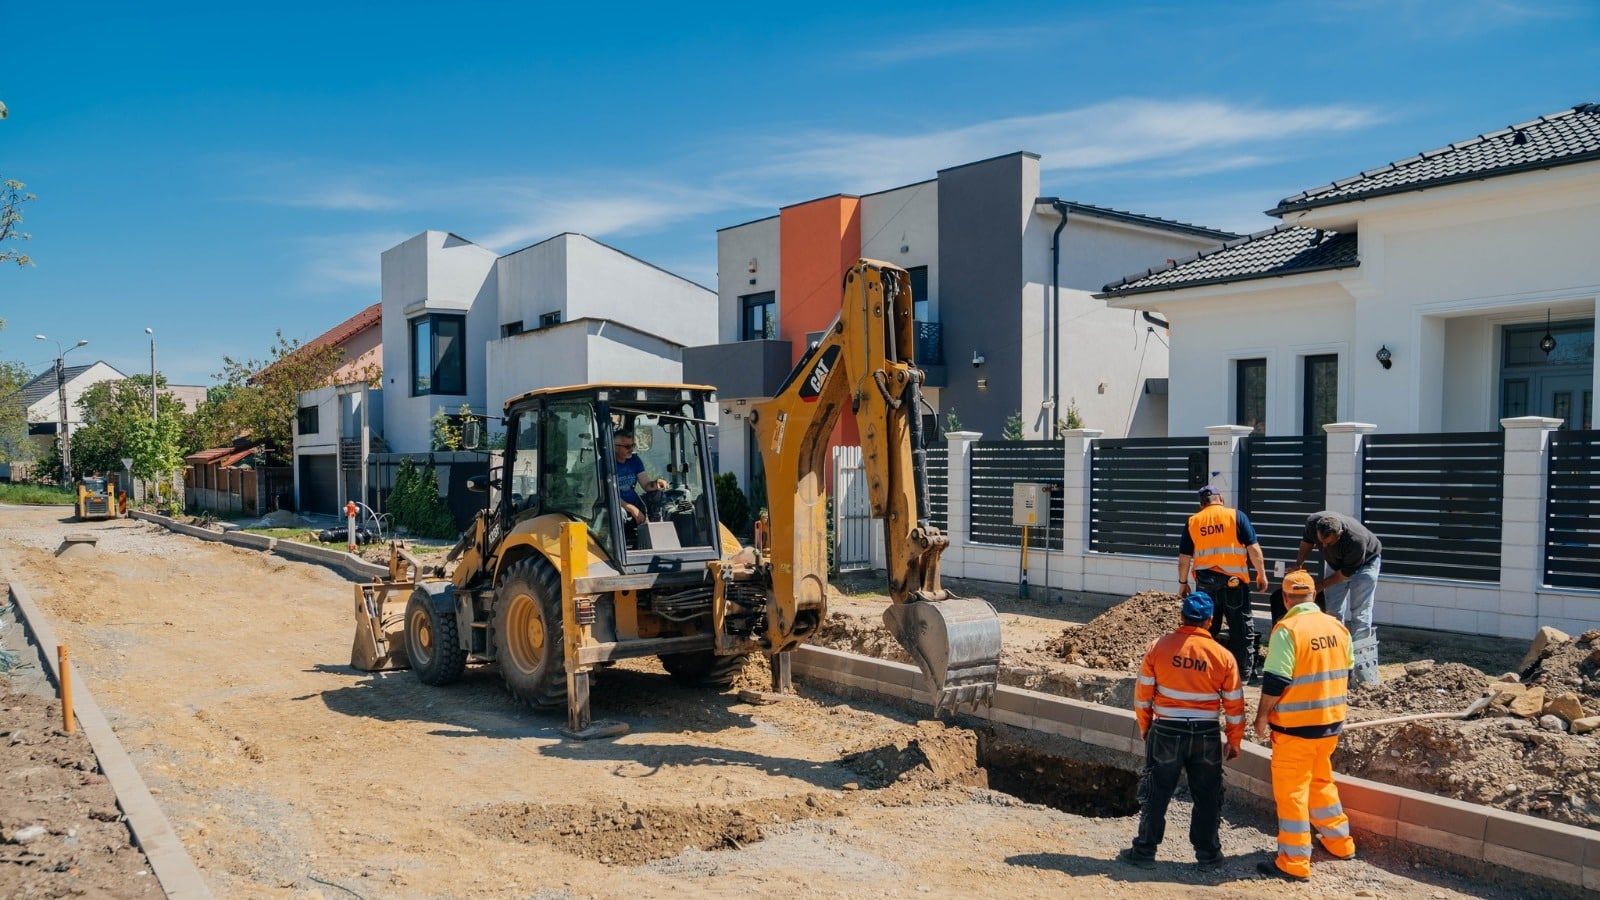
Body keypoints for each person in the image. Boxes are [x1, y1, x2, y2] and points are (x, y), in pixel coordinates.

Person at [1118, 592, 1244, 872]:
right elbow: (1235, 705)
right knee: (1208, 795)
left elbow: (1143, 694)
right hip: (1206, 734)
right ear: (1210, 621)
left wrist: (1145, 726)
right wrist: (1234, 740)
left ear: (1182, 617)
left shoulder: (1159, 647)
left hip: (1166, 730)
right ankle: (1208, 856)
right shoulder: (1223, 656)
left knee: (1155, 792)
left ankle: (1144, 851)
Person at [1253, 570, 1357, 883]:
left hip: (1295, 730)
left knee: (1292, 793)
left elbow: (1275, 680)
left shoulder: (1287, 630)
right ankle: (1340, 842)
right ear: (1314, 595)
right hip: (1329, 726)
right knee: (1320, 781)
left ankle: (1294, 861)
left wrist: (1260, 717)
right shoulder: (1337, 627)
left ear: (1286, 599)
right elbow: (1347, 673)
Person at [1177, 486, 1268, 682]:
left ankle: (1202, 673)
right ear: (1221, 499)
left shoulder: (1193, 521)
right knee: (1241, 630)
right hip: (1233, 583)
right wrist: (1261, 574)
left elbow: (1184, 557)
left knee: (1204, 629)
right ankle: (1242, 677)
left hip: (1205, 584)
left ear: (1202, 504)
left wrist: (1183, 583)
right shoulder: (1236, 516)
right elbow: (1254, 549)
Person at [1292, 511, 1382, 685]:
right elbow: (1307, 543)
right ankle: (1336, 669)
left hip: (1365, 564)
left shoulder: (1356, 540)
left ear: (1339, 535)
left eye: (1328, 543)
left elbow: (1344, 575)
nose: (1324, 547)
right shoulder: (1313, 522)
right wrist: (1298, 564)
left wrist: (1318, 587)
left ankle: (1364, 679)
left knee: (1360, 616)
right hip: (1336, 564)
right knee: (1332, 614)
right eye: (1322, 542)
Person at [612, 430, 666, 525]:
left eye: (633, 445)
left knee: (658, 495)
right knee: (619, 513)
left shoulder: (634, 460)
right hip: (616, 505)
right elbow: (610, 496)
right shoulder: (606, 464)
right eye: (627, 446)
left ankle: (656, 530)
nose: (631, 449)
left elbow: (646, 485)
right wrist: (632, 509)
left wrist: (656, 483)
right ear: (615, 447)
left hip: (634, 502)